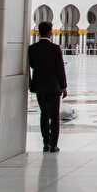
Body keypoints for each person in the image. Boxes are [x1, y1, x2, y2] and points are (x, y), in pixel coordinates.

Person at [27, 22, 67, 153]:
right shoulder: (55, 48)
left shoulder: (32, 48)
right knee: (54, 116)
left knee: (44, 114)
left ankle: (46, 142)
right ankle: (54, 145)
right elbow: (60, 68)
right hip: (54, 86)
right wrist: (63, 86)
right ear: (50, 32)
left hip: (39, 86)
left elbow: (31, 65)